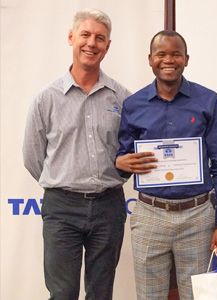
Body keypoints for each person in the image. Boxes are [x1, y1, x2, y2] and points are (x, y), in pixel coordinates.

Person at [115, 30, 217, 300]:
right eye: (161, 54)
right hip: (149, 214)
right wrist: (120, 162)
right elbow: (123, 160)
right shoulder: (133, 105)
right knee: (148, 296)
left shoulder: (208, 101)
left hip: (197, 216)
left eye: (175, 54)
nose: (168, 60)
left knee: (197, 296)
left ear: (186, 59)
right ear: (150, 59)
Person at [22, 8, 129, 300]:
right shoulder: (47, 98)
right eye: (85, 35)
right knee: (62, 293)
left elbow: (129, 152)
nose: (91, 43)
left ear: (108, 46)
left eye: (100, 38)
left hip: (109, 207)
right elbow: (33, 157)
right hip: (62, 209)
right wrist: (64, 177)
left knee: (101, 293)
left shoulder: (122, 98)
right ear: (71, 37)